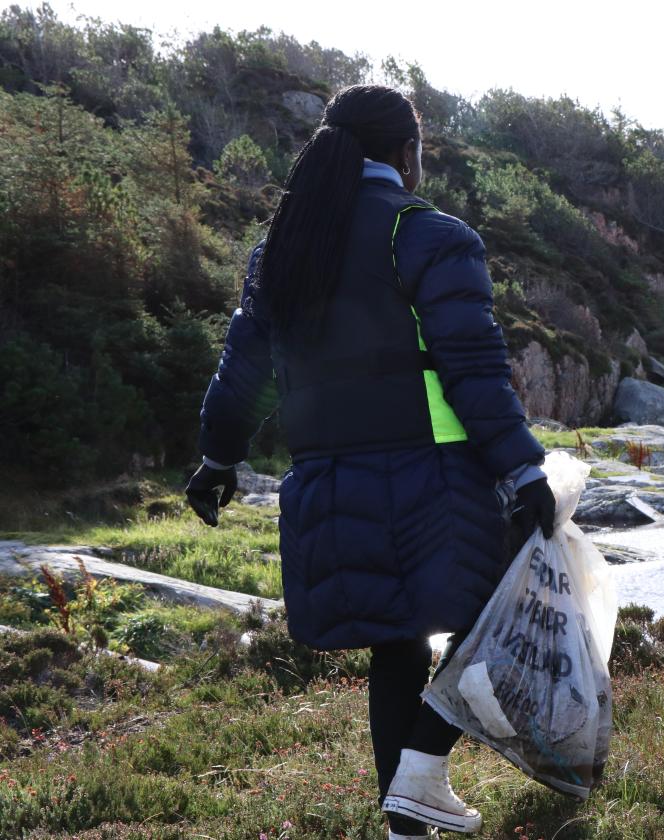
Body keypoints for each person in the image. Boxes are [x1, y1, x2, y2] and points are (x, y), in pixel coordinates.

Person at [183, 85, 555, 838]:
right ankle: (421, 769)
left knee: (398, 646)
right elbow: (475, 372)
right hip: (436, 481)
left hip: (329, 482)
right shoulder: (428, 234)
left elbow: (241, 379)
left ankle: (404, 825)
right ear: (406, 152)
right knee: (503, 625)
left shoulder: (283, 249)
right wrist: (522, 469)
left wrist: (217, 460)